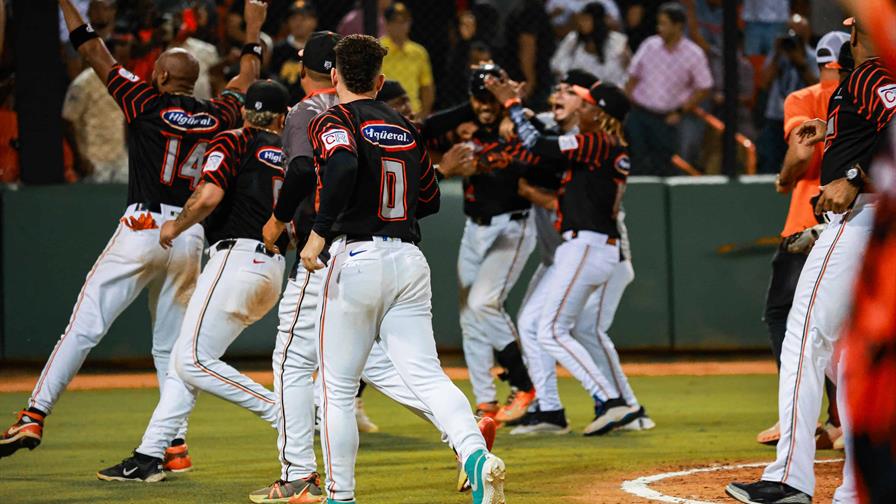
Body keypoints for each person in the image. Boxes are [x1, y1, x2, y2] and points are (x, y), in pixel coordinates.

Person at [0, 0, 266, 463]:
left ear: (161, 77)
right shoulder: (220, 113)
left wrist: (66, 3)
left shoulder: (145, 101)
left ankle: (34, 414)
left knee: (83, 328)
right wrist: (254, 31)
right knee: (169, 346)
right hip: (188, 234)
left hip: (143, 226)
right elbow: (245, 79)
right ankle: (174, 442)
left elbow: (92, 51)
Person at [252, 35, 494, 503]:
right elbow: (427, 199)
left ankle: (340, 495)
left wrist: (320, 229)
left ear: (336, 76)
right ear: (381, 81)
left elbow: (340, 165)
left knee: (338, 388)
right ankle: (474, 454)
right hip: (408, 258)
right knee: (426, 373)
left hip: (355, 256)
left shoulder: (332, 118)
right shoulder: (405, 125)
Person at [727, 16, 896, 504]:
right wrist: (836, 134)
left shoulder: (873, 72)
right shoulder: (860, 85)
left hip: (863, 218)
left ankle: (788, 479)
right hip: (872, 222)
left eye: (852, 29)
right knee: (847, 358)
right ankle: (854, 486)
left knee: (803, 340)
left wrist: (855, 173)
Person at [487, 75, 642, 435]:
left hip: (587, 244)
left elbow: (540, 145)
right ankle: (584, 406)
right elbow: (537, 152)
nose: (583, 107)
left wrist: (511, 105)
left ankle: (612, 401)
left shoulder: (599, 142)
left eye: (589, 104)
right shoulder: (602, 146)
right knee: (542, 326)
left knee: (553, 331)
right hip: (585, 245)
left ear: (601, 114)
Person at [422, 63, 538, 426]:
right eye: (479, 98)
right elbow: (423, 130)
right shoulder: (463, 117)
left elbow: (526, 151)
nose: (485, 105)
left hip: (512, 225)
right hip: (475, 227)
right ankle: (486, 402)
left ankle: (523, 385)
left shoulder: (520, 122)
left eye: (491, 98)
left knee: (483, 302)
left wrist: (514, 107)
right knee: (470, 316)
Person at [755, 31, 850, 449]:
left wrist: (783, 177)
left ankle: (797, 414)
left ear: (820, 61)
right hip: (861, 216)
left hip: (807, 220)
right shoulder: (872, 92)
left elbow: (802, 150)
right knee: (845, 327)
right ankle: (843, 419)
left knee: (786, 317)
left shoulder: (805, 97)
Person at [624, 2, 712, 176]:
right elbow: (632, 76)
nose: (659, 28)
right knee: (636, 161)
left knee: (663, 164)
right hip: (640, 114)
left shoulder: (693, 53)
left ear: (678, 26)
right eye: (658, 23)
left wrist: (680, 111)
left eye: (664, 24)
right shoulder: (650, 45)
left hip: (667, 119)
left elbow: (704, 86)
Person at [62, 33, 131, 183]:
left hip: (119, 159)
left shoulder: (125, 82)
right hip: (93, 160)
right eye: (118, 59)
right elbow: (67, 120)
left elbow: (124, 119)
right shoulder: (83, 83)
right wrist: (79, 157)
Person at [756, 15, 819, 174]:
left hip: (803, 120)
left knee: (801, 165)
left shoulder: (814, 56)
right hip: (776, 117)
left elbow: (818, 87)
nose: (793, 37)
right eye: (790, 32)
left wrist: (801, 63)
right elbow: (764, 82)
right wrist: (777, 53)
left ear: (807, 34)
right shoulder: (777, 55)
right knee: (770, 163)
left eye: (799, 33)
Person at [550, 2, 630, 87]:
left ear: (597, 21)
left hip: (605, 92)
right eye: (581, 19)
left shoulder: (618, 42)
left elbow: (624, 74)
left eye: (586, 20)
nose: (581, 23)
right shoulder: (573, 39)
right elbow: (556, 64)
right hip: (574, 89)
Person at [379, 2, 434, 118]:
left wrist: (423, 115)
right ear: (388, 24)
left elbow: (427, 87)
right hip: (383, 111)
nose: (401, 26)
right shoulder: (378, 49)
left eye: (404, 21)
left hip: (412, 113)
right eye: (396, 22)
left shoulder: (418, 52)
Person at [501, 0, 556, 108]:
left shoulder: (524, 7)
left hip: (521, 73)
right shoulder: (531, 9)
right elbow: (527, 45)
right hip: (531, 77)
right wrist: (529, 79)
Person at [271, 1, 318, 104]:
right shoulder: (278, 49)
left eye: (303, 19)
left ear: (314, 22)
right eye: (294, 18)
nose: (298, 23)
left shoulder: (318, 49)